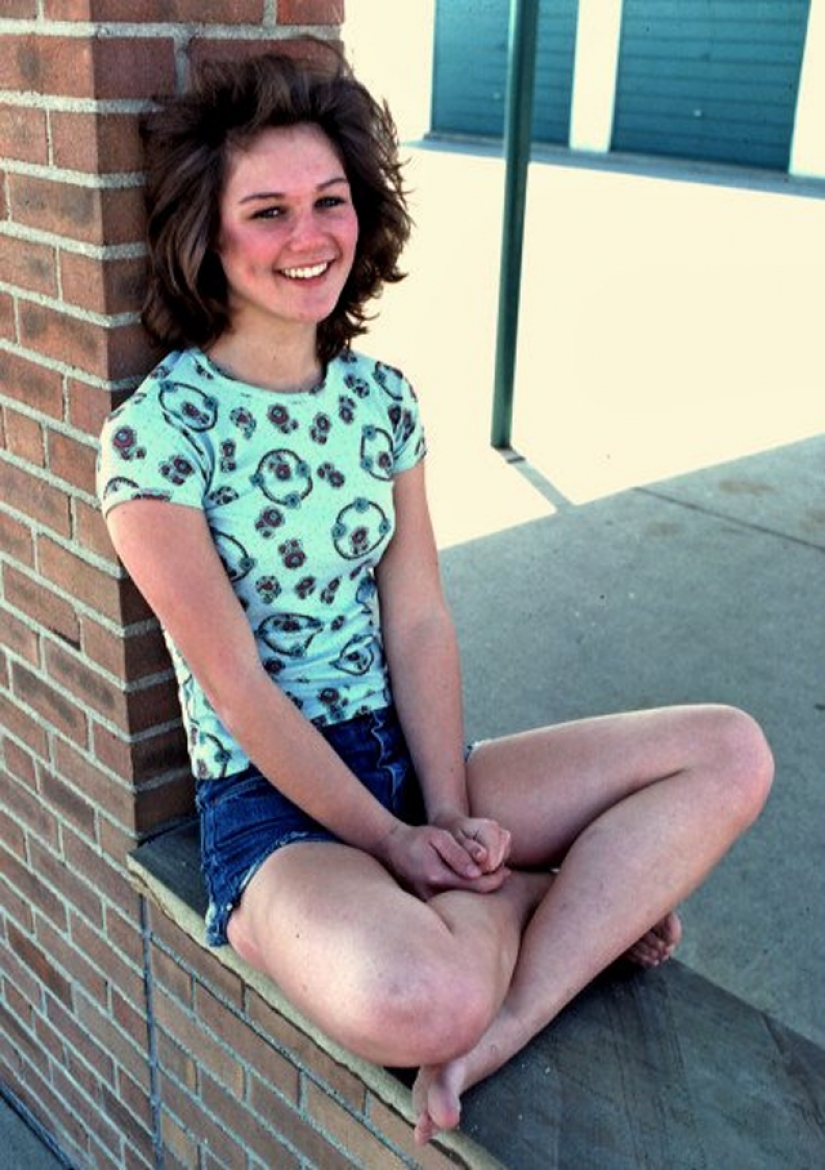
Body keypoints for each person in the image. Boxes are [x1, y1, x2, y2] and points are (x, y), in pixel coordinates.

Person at [97, 48, 773, 1145]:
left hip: (410, 757)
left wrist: (450, 814)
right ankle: (558, 911)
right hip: (274, 810)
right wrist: (392, 841)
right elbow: (242, 688)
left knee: (729, 750)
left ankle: (511, 1006)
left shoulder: (382, 402)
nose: (309, 236)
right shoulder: (156, 441)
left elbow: (417, 619)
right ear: (206, 236)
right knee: (416, 1000)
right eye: (266, 211)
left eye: (330, 200)